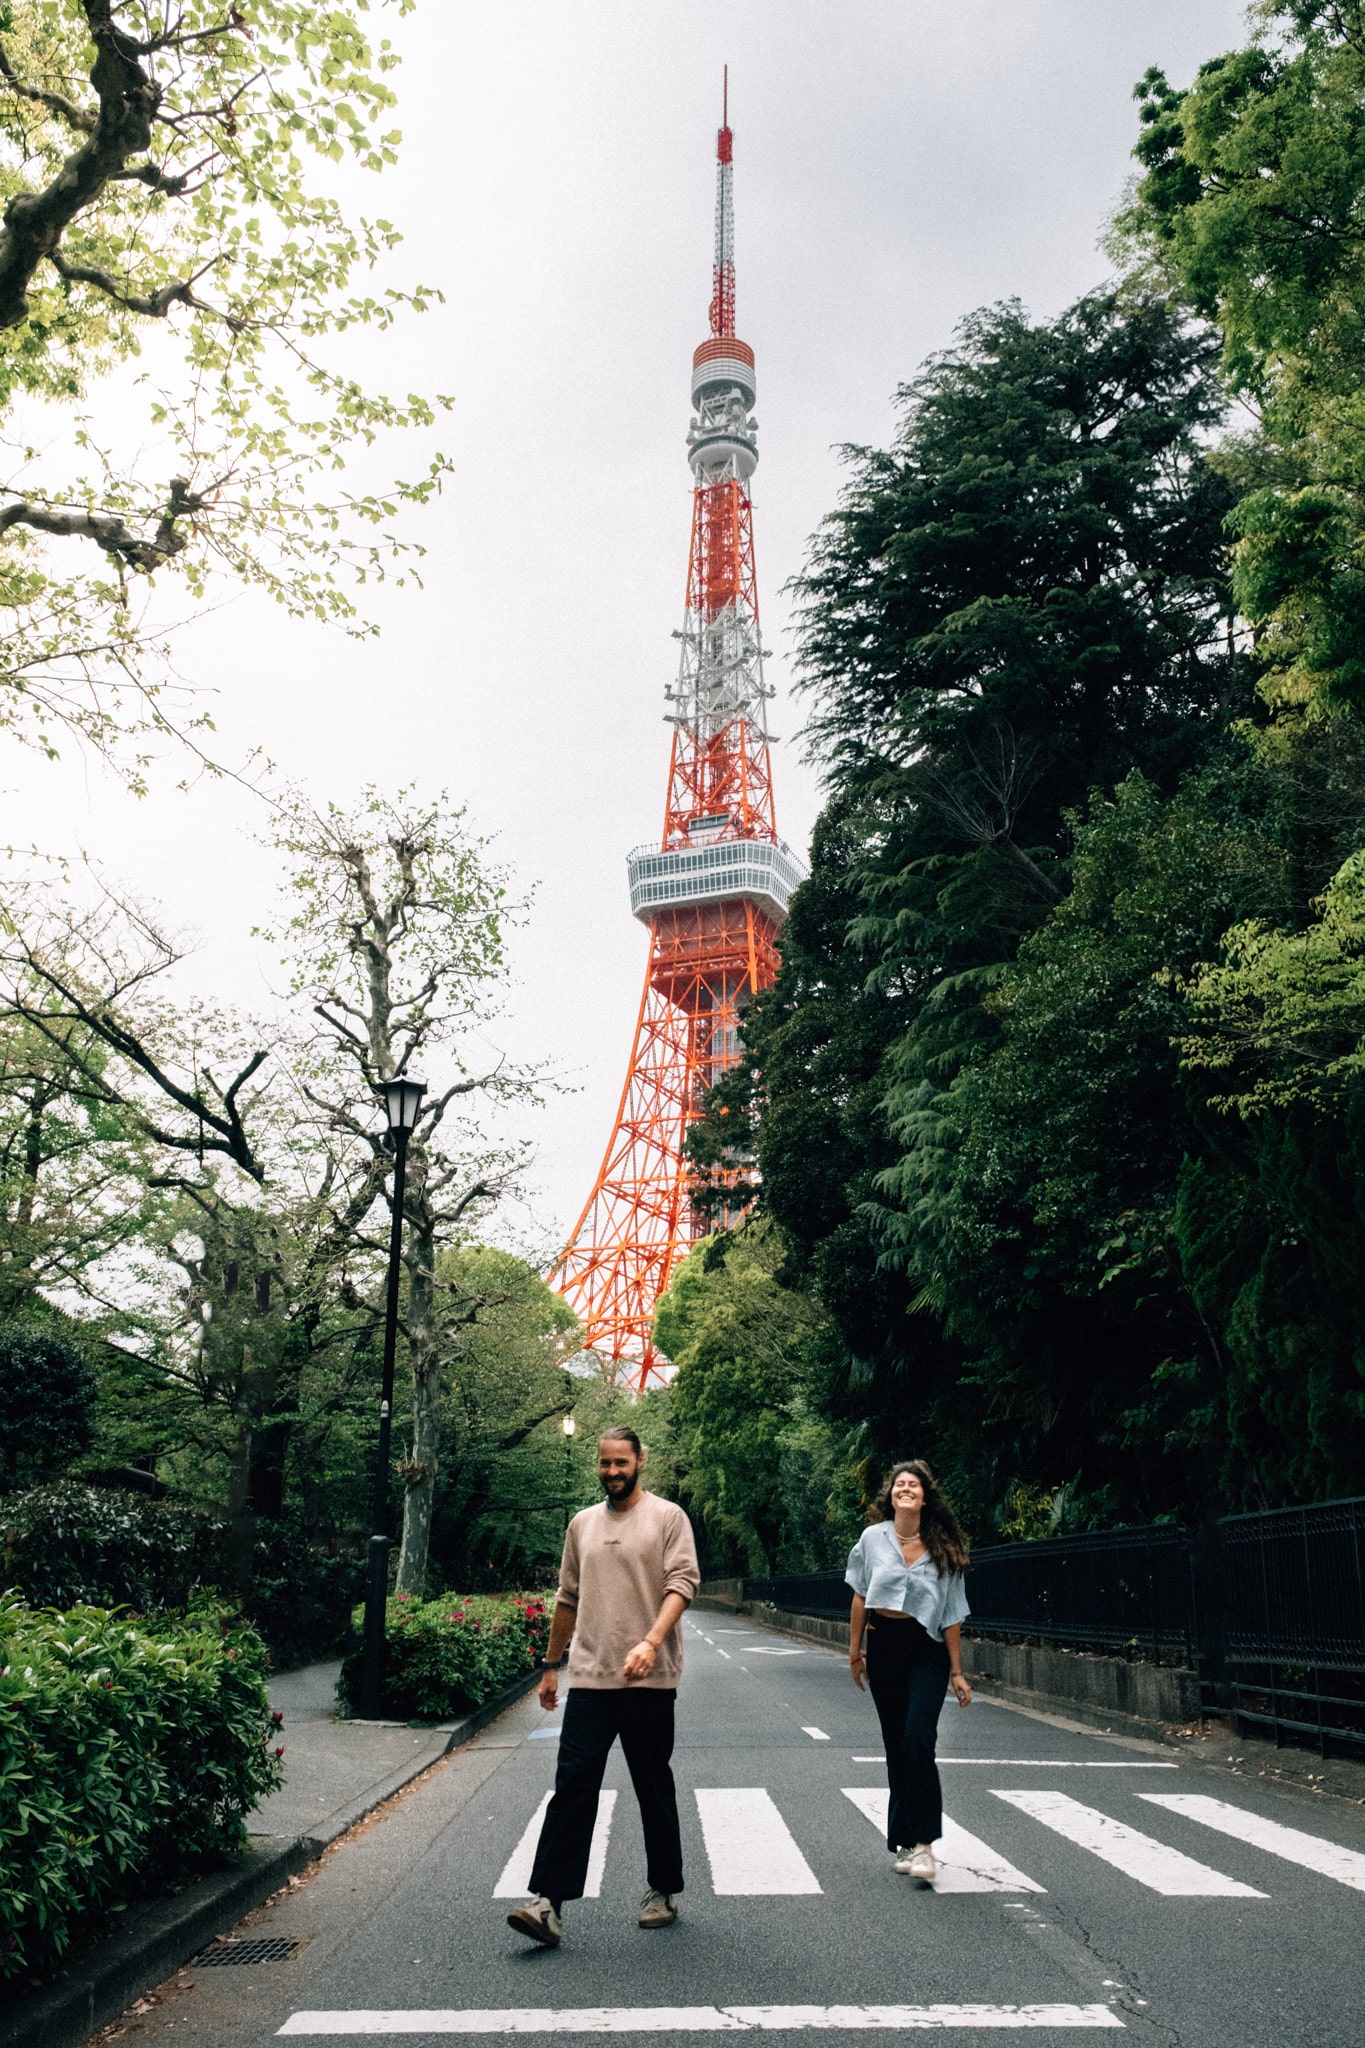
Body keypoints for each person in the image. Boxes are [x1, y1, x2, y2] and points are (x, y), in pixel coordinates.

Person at [506, 1425, 700, 1948]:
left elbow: (682, 1584)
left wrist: (652, 1641)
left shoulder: (667, 1518)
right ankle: (549, 1903)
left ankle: (662, 1889)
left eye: (621, 1462)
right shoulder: (581, 1525)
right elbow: (567, 1597)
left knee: (652, 1787)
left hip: (650, 1679)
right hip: (590, 1677)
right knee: (572, 1785)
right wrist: (551, 1666)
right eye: (604, 1463)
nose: (612, 1471)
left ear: (640, 1460)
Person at [846, 1460, 972, 1884]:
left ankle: (924, 1844)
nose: (905, 1489)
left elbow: (952, 1614)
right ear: (891, 1494)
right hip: (884, 1648)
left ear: (924, 1496)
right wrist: (854, 1653)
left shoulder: (942, 1544)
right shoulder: (872, 1539)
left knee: (919, 1741)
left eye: (913, 1485)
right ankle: (902, 1839)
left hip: (927, 1650)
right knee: (896, 1745)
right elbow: (861, 1596)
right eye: (899, 1484)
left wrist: (957, 1671)